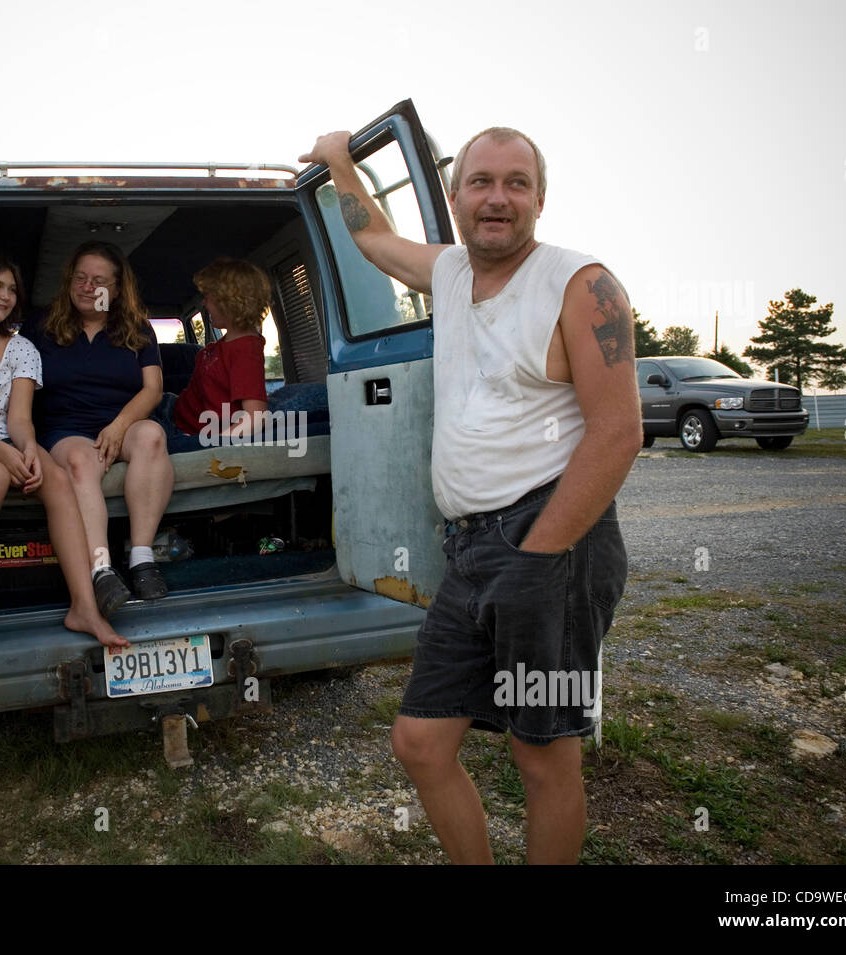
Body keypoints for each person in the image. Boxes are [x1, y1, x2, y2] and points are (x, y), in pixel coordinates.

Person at [299, 127, 642, 864]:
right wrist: (337, 162)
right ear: (454, 199)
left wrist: (539, 555)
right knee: (421, 741)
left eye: (516, 183)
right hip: (471, 547)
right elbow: (376, 241)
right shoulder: (451, 272)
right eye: (481, 182)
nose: (498, 198)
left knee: (542, 754)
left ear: (540, 199)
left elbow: (618, 433)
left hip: (554, 541)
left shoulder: (581, 284)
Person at [0, 250, 127, 649]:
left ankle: (84, 609)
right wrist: (4, 455)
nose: (4, 295)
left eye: (11, 288)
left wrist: (25, 449)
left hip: (7, 438)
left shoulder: (22, 347)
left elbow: (20, 420)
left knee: (57, 480)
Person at [20, 241, 175, 617]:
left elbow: (153, 389)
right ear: (69, 281)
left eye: (99, 281)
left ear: (118, 289)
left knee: (153, 436)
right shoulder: (40, 327)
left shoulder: (136, 328)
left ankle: (141, 558)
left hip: (123, 421)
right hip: (64, 427)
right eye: (81, 278)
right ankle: (101, 569)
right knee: (78, 461)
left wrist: (120, 426)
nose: (88, 287)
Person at [157, 257, 271, 442]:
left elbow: (256, 417)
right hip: (174, 409)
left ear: (229, 301)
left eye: (208, 297)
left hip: (179, 426)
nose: (204, 303)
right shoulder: (226, 343)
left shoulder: (245, 350)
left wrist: (213, 443)